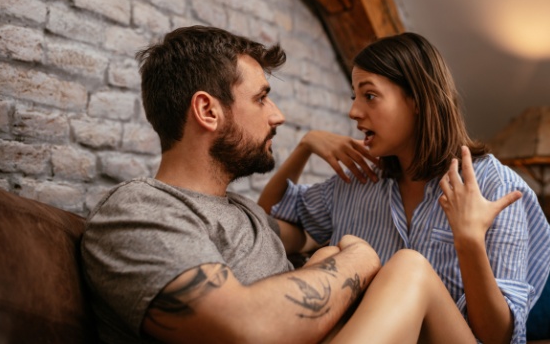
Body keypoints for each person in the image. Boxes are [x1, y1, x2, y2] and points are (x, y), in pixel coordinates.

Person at [80, 26, 488, 344]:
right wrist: (359, 259)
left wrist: (329, 249)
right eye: (261, 99)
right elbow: (242, 329)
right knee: (408, 268)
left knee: (356, 253)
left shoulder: (240, 212)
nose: (277, 116)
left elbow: (298, 229)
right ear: (207, 110)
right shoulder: (138, 209)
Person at [259, 32, 550, 344]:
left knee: (409, 265)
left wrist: (469, 241)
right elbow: (263, 224)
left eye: (369, 96)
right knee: (331, 255)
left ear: (416, 100)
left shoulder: (493, 186)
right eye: (354, 98)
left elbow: (500, 337)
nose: (354, 112)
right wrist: (305, 146)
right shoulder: (357, 182)